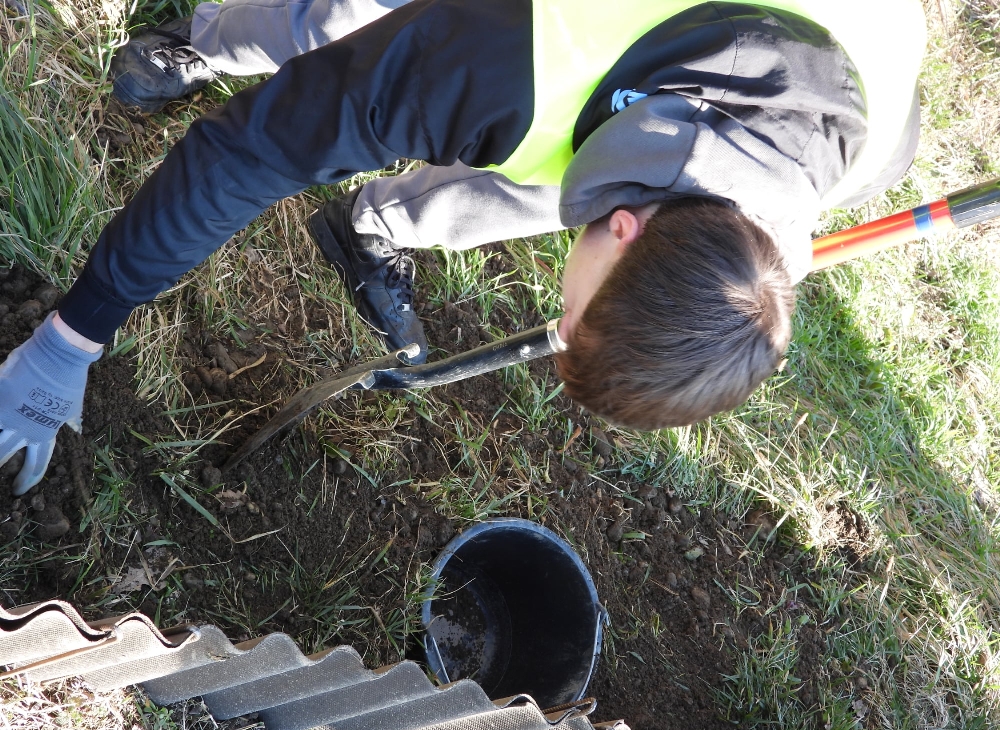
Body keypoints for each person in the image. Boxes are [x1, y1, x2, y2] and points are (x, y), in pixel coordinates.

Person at [0, 0, 926, 496]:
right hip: (558, 37)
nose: (551, 325)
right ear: (629, 228)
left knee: (544, 163)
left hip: (828, 34)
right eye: (567, 319)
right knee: (334, 26)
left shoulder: (860, 160)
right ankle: (214, 36)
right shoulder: (504, 57)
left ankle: (380, 226)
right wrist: (70, 338)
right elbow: (253, 152)